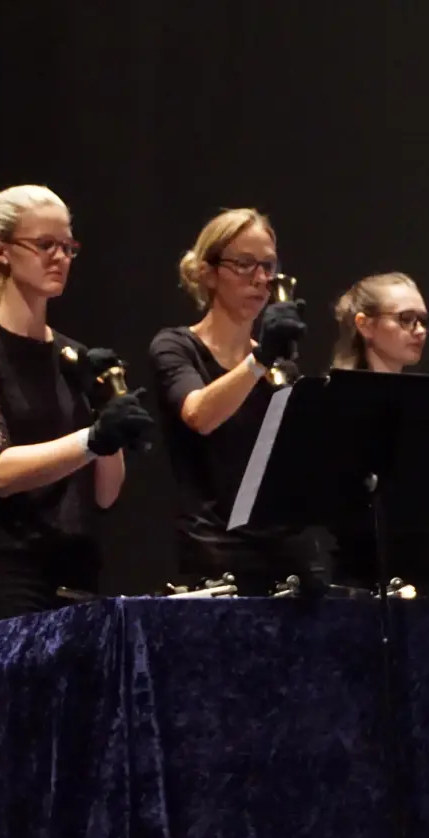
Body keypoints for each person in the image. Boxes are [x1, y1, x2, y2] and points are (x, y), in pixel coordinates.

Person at [0, 185, 154, 635]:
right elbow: (0, 472)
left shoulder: (74, 355)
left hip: (73, 574)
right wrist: (92, 438)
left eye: (68, 246)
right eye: (44, 245)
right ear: (1, 252)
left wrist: (106, 425)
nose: (60, 256)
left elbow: (105, 494)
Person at [148, 208, 322, 596]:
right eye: (244, 264)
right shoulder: (176, 346)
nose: (260, 279)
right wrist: (259, 361)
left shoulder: (280, 365)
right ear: (208, 272)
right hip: (219, 561)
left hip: (288, 559)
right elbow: (199, 415)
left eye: (268, 266)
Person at [322, 272, 429, 594]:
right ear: (365, 325)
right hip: (360, 585)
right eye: (406, 320)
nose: (419, 331)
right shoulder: (334, 401)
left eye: (423, 321)